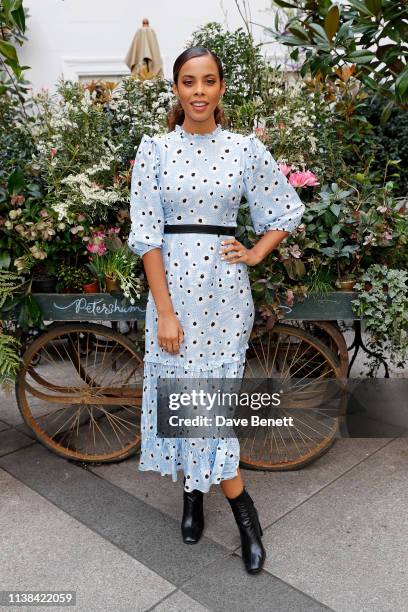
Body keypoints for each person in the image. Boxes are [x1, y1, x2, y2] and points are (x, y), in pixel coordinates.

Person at [128, 46, 305, 574]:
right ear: (176, 89)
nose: (198, 91)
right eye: (188, 81)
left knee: (213, 404)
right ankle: (193, 495)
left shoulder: (245, 150)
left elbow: (284, 208)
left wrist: (253, 251)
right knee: (184, 396)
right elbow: (146, 237)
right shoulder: (154, 149)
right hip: (174, 290)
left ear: (221, 88)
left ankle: (241, 510)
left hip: (226, 296)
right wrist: (164, 311)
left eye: (208, 81)